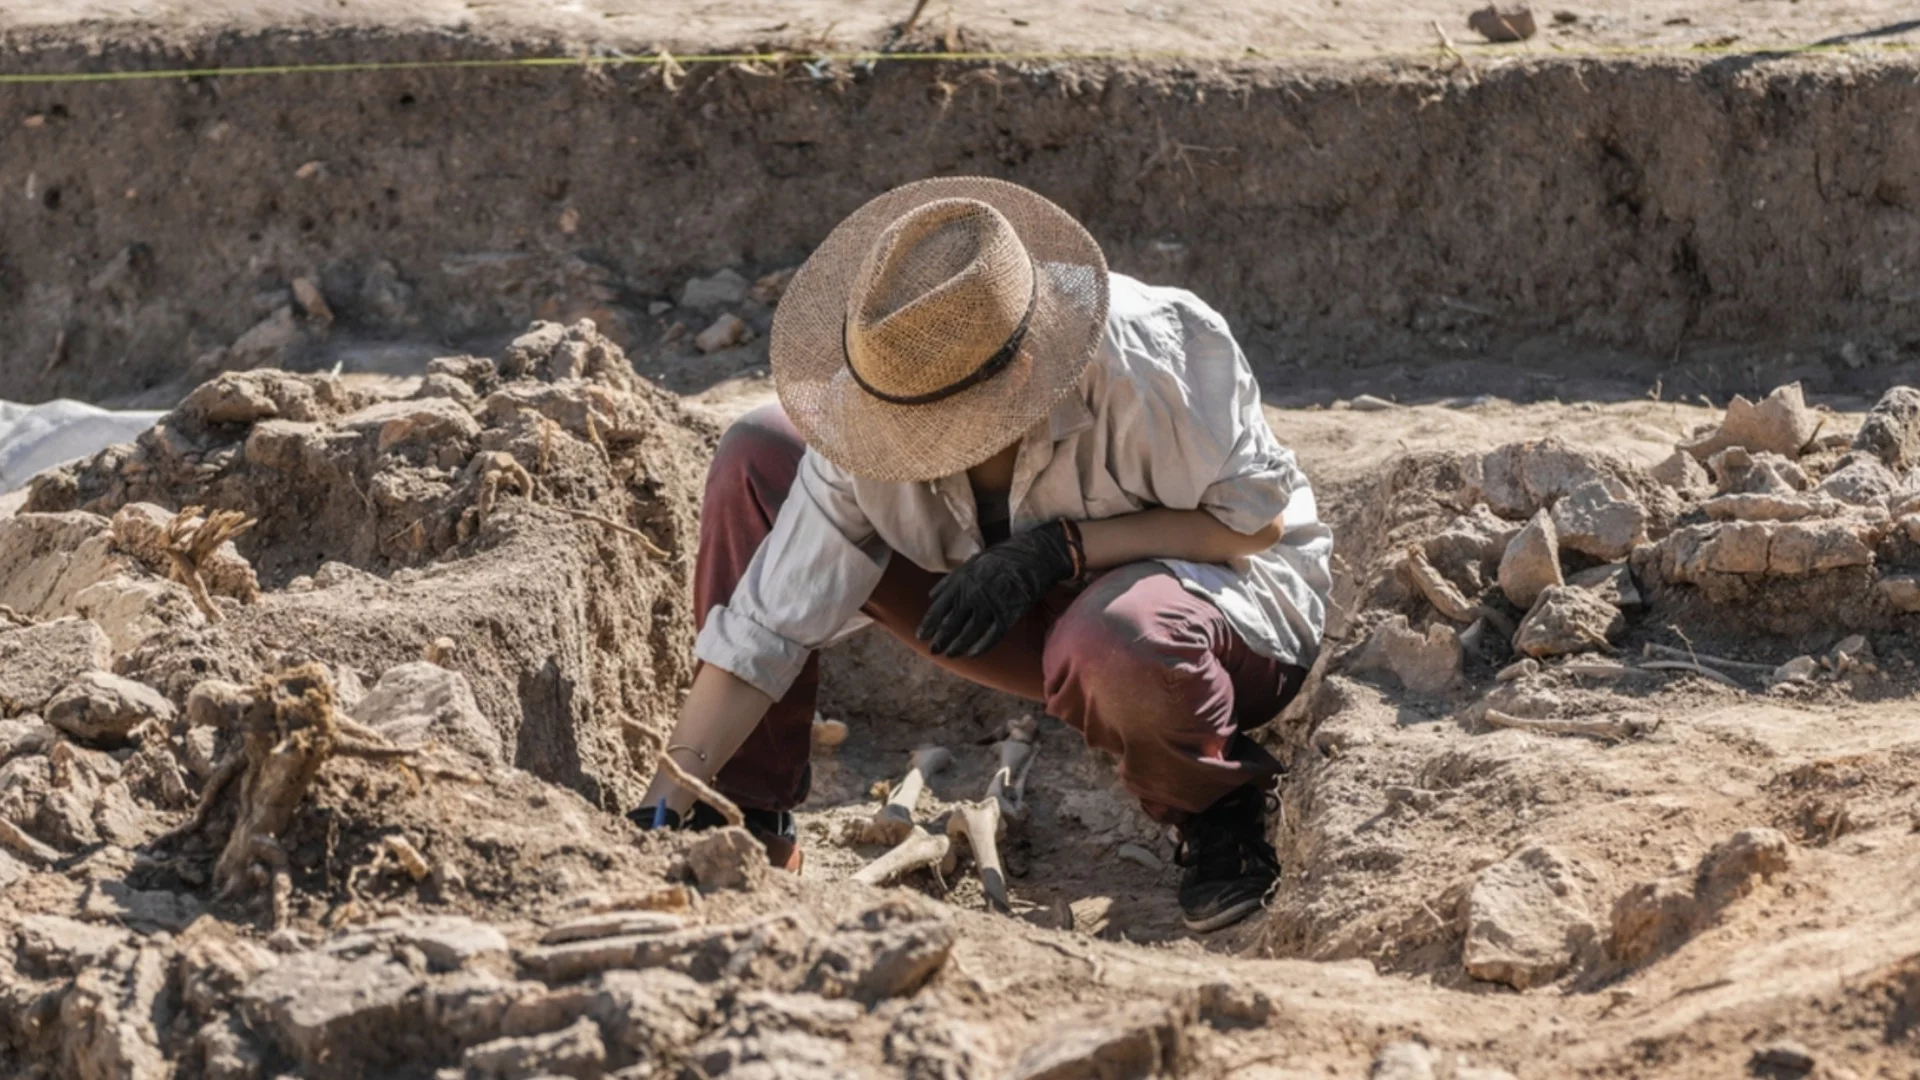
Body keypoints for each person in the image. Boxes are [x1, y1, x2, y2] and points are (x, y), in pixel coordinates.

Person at [634, 177, 1332, 932]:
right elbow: (766, 621)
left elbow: (1254, 525)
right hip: (1017, 615)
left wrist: (1062, 550)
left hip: (1216, 615)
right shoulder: (883, 391)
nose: (905, 449)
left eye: (937, 428)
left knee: (1117, 637)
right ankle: (738, 820)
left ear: (1021, 375)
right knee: (761, 450)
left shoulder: (1155, 355)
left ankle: (1215, 805)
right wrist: (668, 800)